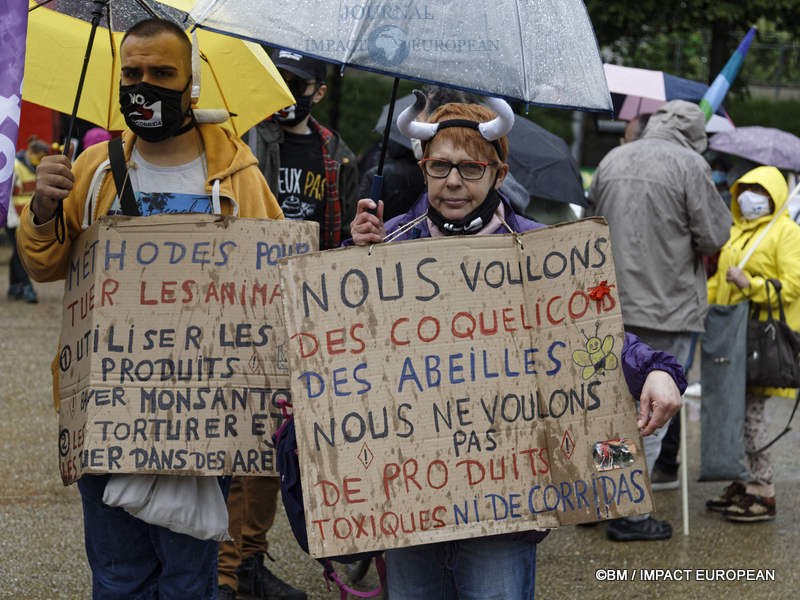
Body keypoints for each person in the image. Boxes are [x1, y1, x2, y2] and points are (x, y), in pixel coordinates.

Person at [349, 92, 687, 598]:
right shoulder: (387, 243)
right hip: (409, 499)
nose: (454, 182)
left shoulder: (543, 251)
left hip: (505, 508)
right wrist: (352, 268)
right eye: (440, 167)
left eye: (471, 167)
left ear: (499, 173)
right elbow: (335, 344)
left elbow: (592, 334)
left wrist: (658, 370)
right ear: (423, 168)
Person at [16, 18, 283, 599]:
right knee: (118, 576)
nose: (144, 86)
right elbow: (44, 266)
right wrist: (41, 209)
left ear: (191, 88)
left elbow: (273, 282)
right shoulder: (90, 170)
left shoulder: (239, 175)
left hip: (203, 408)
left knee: (190, 580)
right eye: (131, 74)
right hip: (105, 406)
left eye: (162, 74)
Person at [587, 99, 732, 540]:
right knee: (650, 413)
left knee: (610, 409)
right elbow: (715, 235)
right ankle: (629, 514)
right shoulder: (689, 165)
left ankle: (607, 496)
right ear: (696, 135)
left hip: (605, 303)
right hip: (665, 308)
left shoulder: (613, 158)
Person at [705, 166, 800, 522]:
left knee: (750, 414)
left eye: (760, 189)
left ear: (775, 193)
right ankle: (745, 481)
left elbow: (792, 284)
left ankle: (764, 488)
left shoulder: (786, 233)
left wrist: (751, 284)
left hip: (762, 341)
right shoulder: (738, 233)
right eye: (745, 188)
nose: (750, 196)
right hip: (734, 338)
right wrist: (703, 301)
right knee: (734, 411)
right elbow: (719, 282)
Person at [246, 49, 358, 251]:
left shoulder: (338, 154)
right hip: (256, 258)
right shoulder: (248, 139)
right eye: (279, 80)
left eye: (298, 84)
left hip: (313, 269)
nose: (287, 91)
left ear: (319, 93)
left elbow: (346, 229)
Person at [7, 135, 48, 303]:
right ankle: (27, 287)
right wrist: (10, 217)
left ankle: (14, 286)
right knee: (21, 254)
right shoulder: (15, 167)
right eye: (39, 156)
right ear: (32, 152)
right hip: (14, 218)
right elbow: (6, 195)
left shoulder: (35, 167)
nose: (40, 160)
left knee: (17, 253)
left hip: (28, 218)